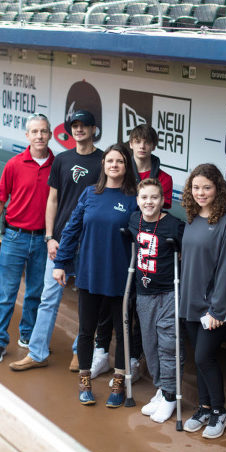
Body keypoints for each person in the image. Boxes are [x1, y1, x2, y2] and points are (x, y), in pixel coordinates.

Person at [10, 110, 103, 371]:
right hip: (61, 241)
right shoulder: (62, 159)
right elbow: (52, 200)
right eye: (75, 125)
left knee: (86, 301)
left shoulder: (104, 160)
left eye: (85, 125)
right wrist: (50, 237)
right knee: (48, 298)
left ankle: (80, 351)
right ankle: (37, 353)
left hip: (89, 243)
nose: (79, 129)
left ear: (93, 129)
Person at [53, 143, 138, 407]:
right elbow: (71, 229)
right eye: (110, 160)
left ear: (127, 167)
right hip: (89, 272)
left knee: (122, 332)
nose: (114, 165)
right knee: (87, 331)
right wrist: (61, 263)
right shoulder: (90, 193)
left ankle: (119, 381)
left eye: (120, 161)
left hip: (120, 276)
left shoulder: (134, 198)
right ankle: (85, 379)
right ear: (103, 165)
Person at [90, 123, 175, 380]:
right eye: (137, 141)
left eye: (146, 141)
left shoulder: (165, 178)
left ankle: (133, 359)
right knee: (109, 301)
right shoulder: (122, 172)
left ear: (153, 145)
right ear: (130, 143)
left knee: (137, 308)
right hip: (119, 246)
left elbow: (159, 216)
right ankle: (101, 352)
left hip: (147, 252)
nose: (142, 146)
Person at [0, 114, 54, 364]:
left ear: (50, 134)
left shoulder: (58, 165)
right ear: (27, 136)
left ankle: (27, 335)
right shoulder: (14, 164)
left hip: (43, 239)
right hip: (15, 236)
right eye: (34, 132)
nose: (39, 136)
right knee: (7, 294)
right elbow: (0, 198)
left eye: (44, 131)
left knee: (36, 292)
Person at [179, 163, 226, 439]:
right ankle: (204, 408)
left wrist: (218, 309)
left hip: (215, 308)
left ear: (218, 189)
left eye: (207, 187)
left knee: (205, 357)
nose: (201, 193)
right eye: (196, 188)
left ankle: (219, 411)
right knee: (198, 357)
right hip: (190, 302)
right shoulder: (192, 217)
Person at [128, 178, 184, 423]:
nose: (149, 202)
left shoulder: (174, 226)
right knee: (150, 345)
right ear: (138, 200)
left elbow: (186, 254)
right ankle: (161, 389)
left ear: (162, 201)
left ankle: (171, 396)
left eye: (154, 197)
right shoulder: (133, 220)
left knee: (168, 346)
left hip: (168, 294)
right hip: (144, 293)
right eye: (144, 198)